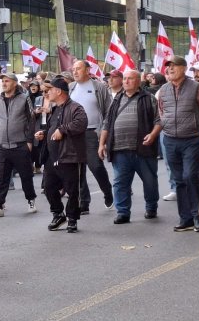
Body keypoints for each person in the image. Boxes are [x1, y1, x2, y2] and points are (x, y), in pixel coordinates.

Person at [98, 70, 162, 223]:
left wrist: (152, 135)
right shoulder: (116, 99)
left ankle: (151, 207)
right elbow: (107, 123)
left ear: (138, 81)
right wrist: (101, 144)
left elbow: (159, 121)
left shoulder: (149, 98)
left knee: (150, 181)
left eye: (130, 79)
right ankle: (123, 212)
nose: (126, 81)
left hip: (143, 149)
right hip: (119, 149)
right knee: (120, 182)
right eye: (125, 78)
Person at [159, 56, 199, 232]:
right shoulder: (164, 89)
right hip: (170, 140)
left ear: (184, 68)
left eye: (174, 66)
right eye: (169, 66)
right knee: (179, 180)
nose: (170, 69)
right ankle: (185, 219)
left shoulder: (197, 88)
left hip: (192, 140)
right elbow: (162, 112)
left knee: (190, 176)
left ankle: (197, 216)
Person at [37, 78, 87, 233]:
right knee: (48, 187)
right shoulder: (55, 109)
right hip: (53, 157)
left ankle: (72, 219)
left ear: (58, 91)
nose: (46, 93)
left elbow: (81, 123)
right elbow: (54, 128)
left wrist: (63, 130)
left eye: (49, 90)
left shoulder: (75, 107)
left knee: (72, 190)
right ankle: (58, 214)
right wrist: (45, 133)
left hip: (69, 156)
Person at [0, 72, 37, 217]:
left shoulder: (24, 98)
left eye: (7, 81)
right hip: (1, 145)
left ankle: (30, 200)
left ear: (15, 83)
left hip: (20, 144)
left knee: (26, 175)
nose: (4, 83)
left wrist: (29, 141)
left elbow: (31, 119)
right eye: (2, 81)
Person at [69, 60, 114, 213]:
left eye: (78, 68)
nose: (75, 72)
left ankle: (107, 191)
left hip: (93, 132)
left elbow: (109, 111)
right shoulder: (71, 87)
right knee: (78, 169)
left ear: (88, 70)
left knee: (95, 166)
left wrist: (104, 132)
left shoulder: (99, 87)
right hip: (74, 133)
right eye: (73, 69)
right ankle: (84, 203)